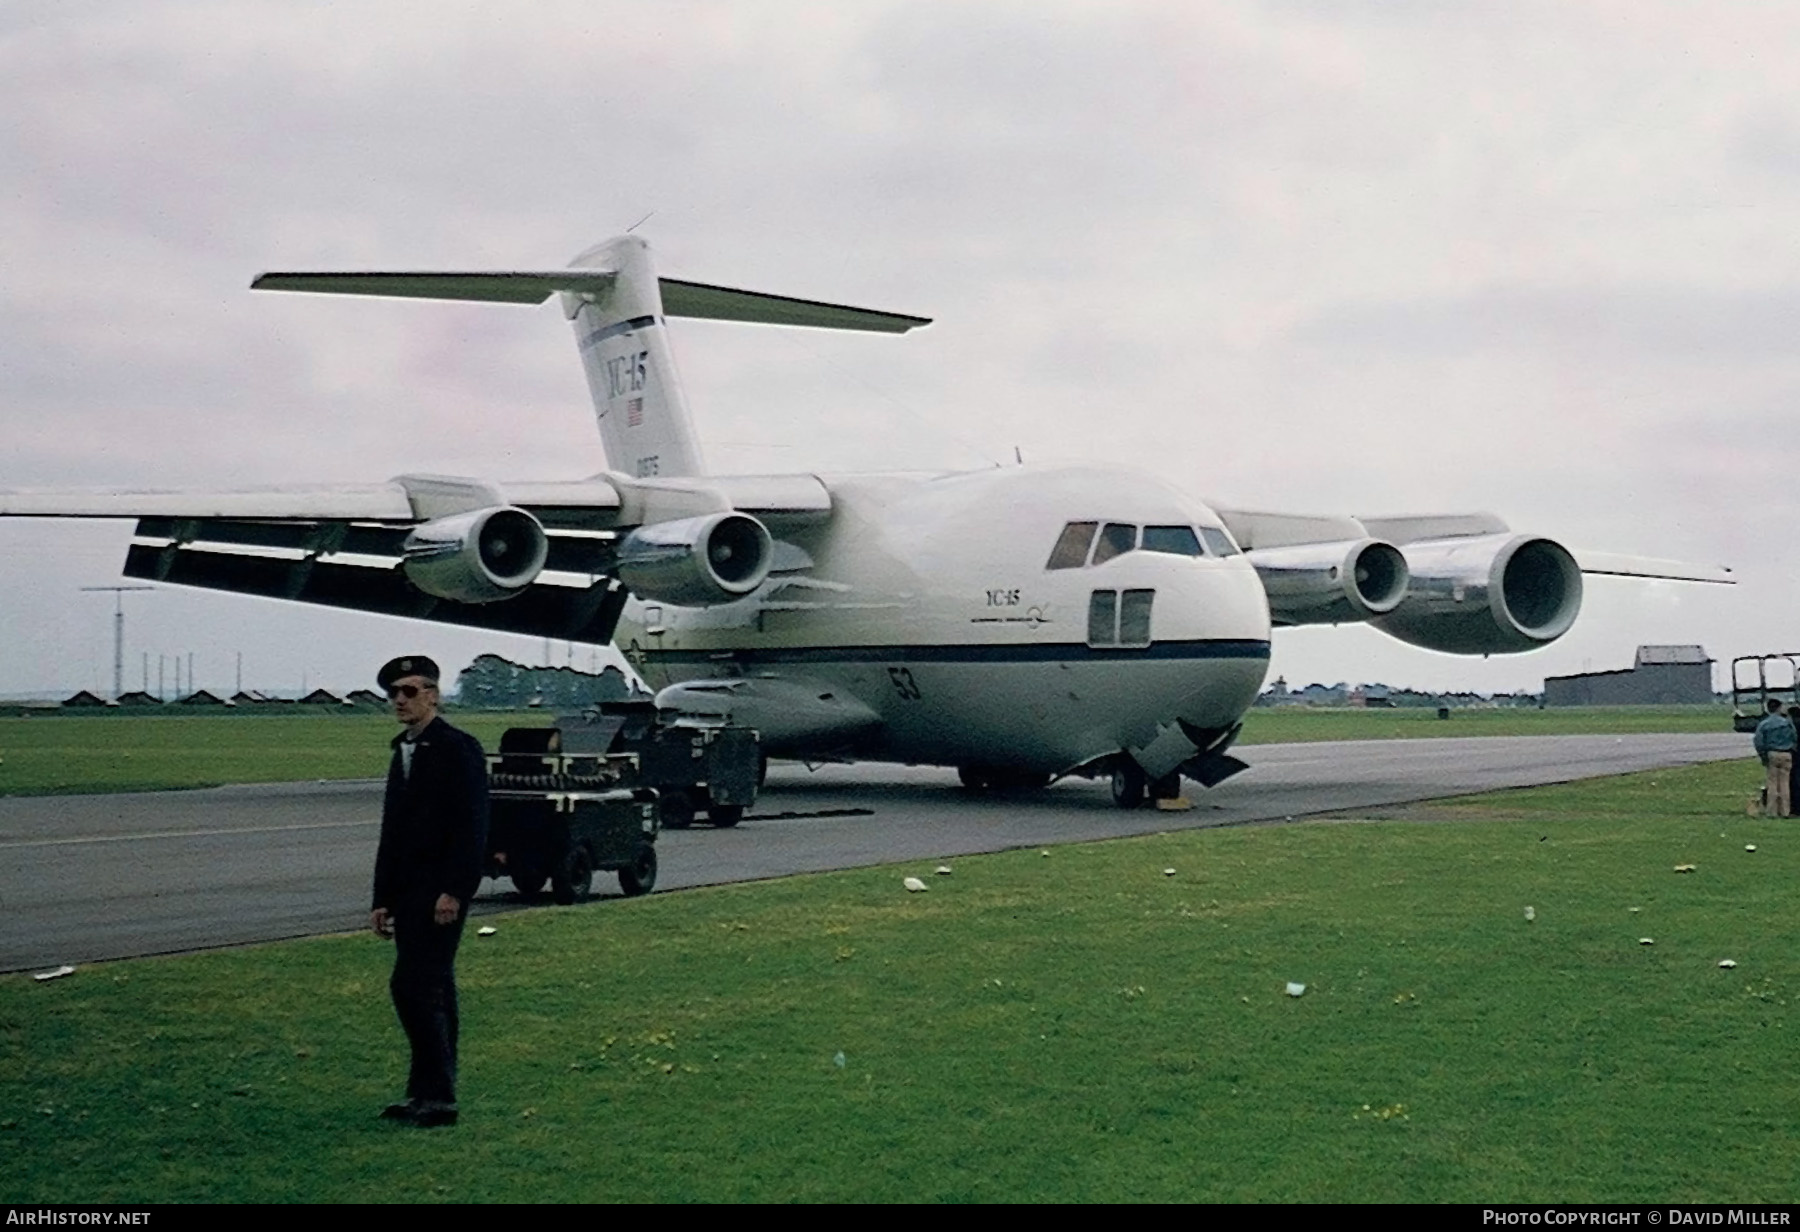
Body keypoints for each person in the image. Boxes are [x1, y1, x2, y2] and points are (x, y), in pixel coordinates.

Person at [369, 655, 489, 1128]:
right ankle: (428, 1094)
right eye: (394, 693)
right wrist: (381, 898)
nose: (400, 700)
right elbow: (392, 832)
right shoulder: (401, 749)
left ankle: (437, 1096)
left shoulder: (459, 748)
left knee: (413, 986)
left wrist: (455, 891)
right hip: (407, 892)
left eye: (411, 691)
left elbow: (472, 826)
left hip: (441, 893)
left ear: (434, 695)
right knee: (432, 988)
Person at [1752, 696, 1797, 819]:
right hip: (1786, 753)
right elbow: (1794, 737)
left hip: (1772, 753)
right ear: (1779, 708)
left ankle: (1772, 811)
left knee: (1772, 783)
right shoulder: (1787, 723)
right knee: (1784, 783)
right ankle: (1785, 811)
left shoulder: (1764, 724)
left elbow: (1758, 741)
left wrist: (1763, 756)